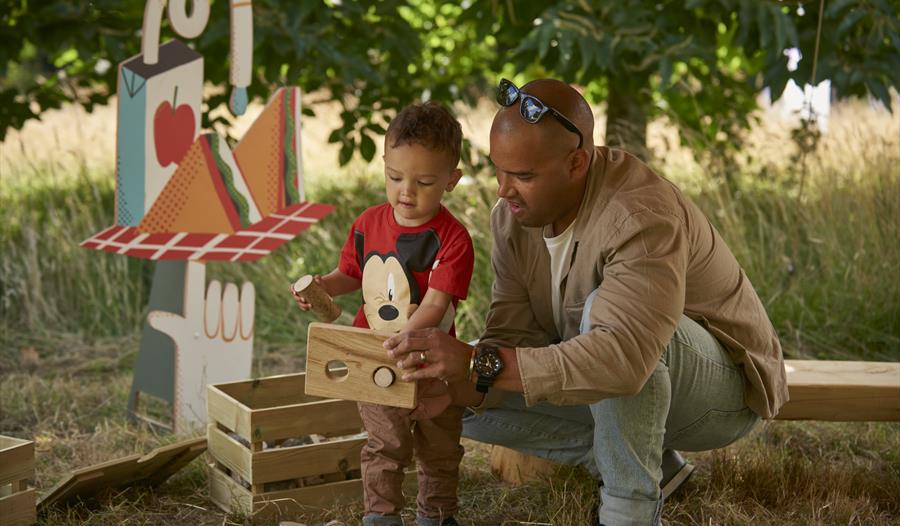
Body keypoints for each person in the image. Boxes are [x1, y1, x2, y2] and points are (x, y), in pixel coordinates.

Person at [383, 78, 789, 526]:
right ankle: (646, 464)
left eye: (523, 175)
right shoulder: (512, 220)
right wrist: (456, 383)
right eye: (499, 170)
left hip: (720, 394)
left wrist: (479, 363)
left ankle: (628, 509)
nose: (503, 190)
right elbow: (514, 336)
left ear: (577, 163)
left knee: (603, 325)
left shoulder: (640, 213)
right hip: (635, 382)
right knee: (461, 400)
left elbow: (623, 358)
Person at [292, 101, 475, 526]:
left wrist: (404, 341)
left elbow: (435, 304)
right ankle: (381, 516)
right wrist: (321, 286)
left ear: (452, 180)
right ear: (385, 167)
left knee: (440, 443)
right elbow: (348, 275)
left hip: (432, 360)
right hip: (375, 355)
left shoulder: (453, 238)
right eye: (395, 177)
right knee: (385, 441)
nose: (406, 191)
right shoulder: (368, 224)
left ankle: (437, 514)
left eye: (424, 182)